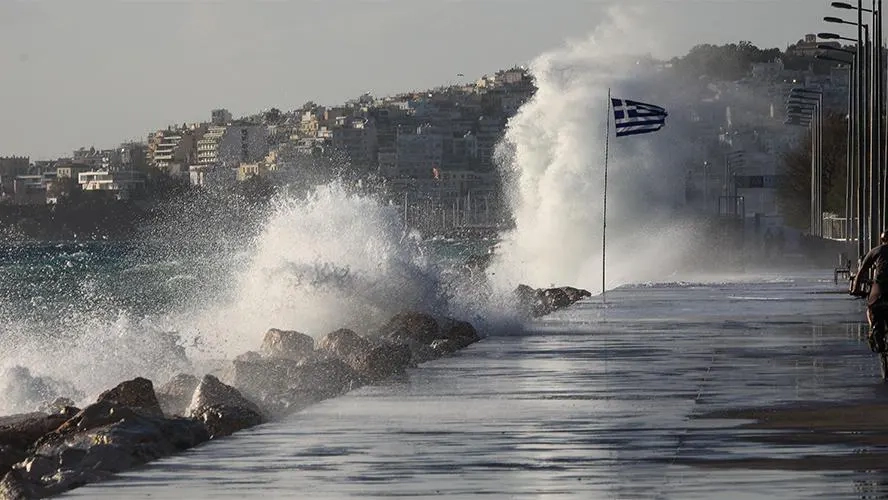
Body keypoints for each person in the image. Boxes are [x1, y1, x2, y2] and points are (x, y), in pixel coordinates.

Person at [852, 231, 888, 345]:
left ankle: (874, 329)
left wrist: (855, 289)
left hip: (879, 287)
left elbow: (861, 271)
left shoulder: (876, 250)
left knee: (872, 307)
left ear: (882, 240)